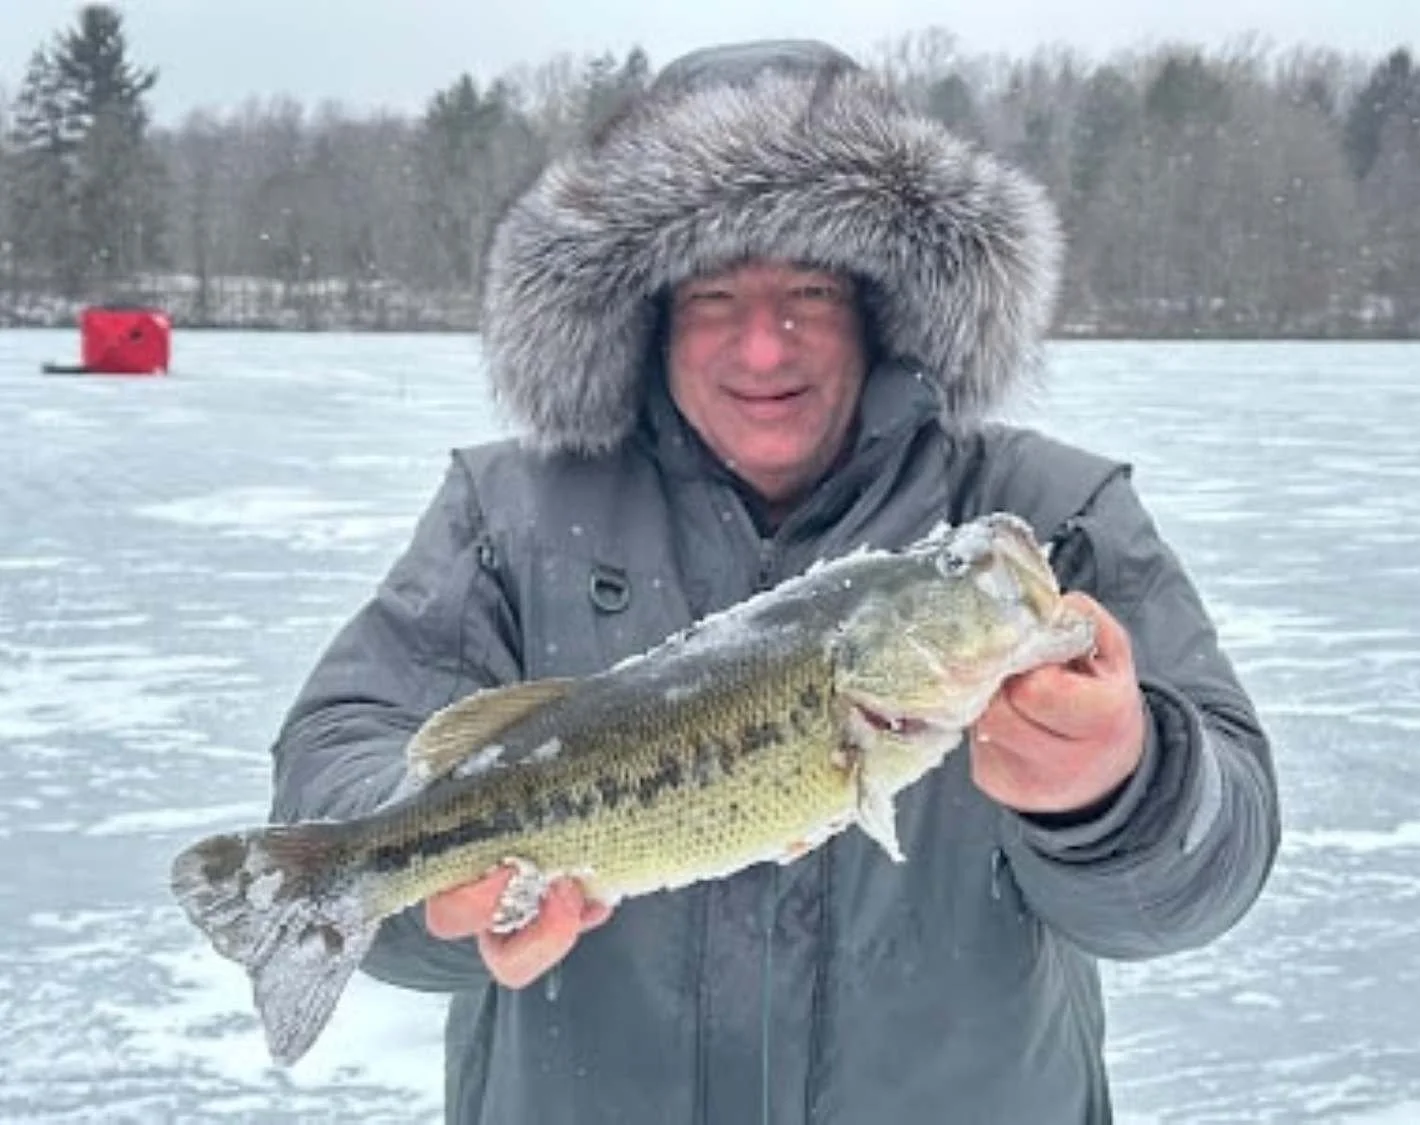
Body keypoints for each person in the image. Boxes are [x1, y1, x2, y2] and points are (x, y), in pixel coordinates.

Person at [269, 39, 1280, 1125]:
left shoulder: (1046, 512)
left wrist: (1122, 782)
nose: (763, 349)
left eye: (810, 288)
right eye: (713, 294)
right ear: (647, 315)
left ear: (882, 307)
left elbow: (1208, 870)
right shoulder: (508, 515)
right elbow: (340, 750)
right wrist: (434, 889)